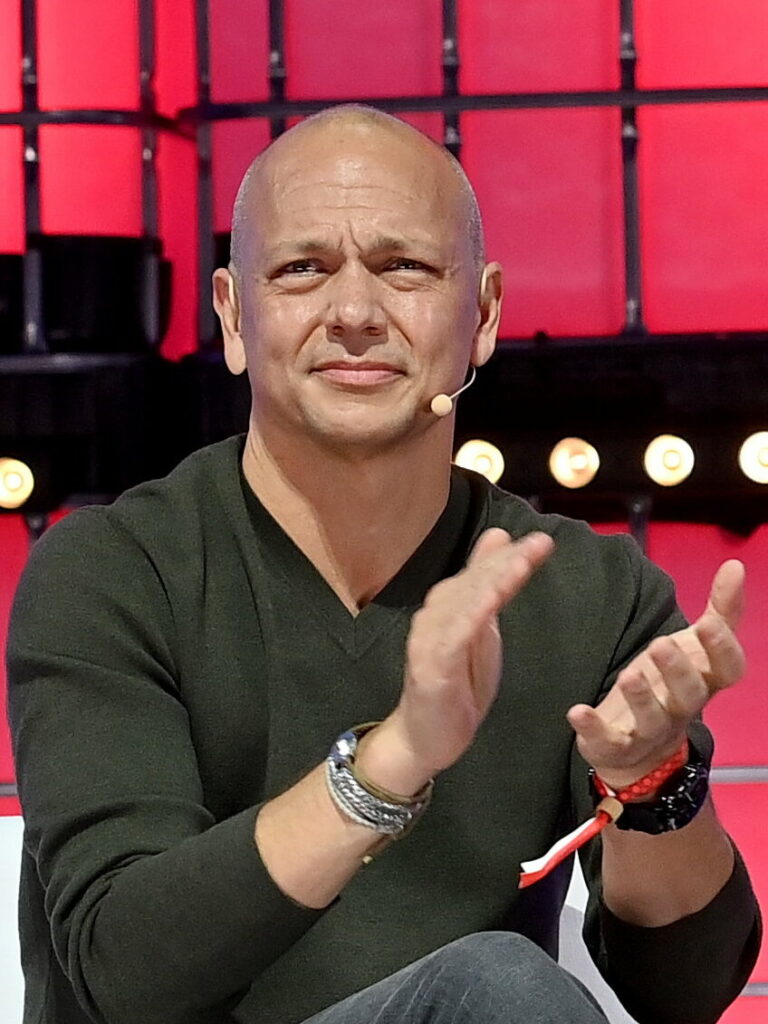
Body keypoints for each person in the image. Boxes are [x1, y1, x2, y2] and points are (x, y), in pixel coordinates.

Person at [7, 105, 760, 1024]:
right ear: (234, 318)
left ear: (481, 314)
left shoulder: (585, 593)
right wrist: (392, 759)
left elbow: (686, 990)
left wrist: (651, 784)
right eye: (302, 270)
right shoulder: (115, 574)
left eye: (403, 267)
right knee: (497, 983)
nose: (355, 313)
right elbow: (125, 972)